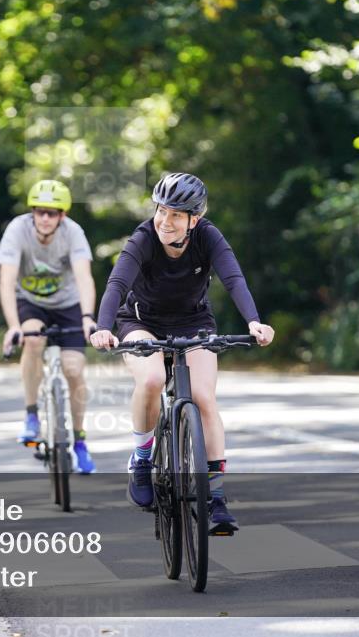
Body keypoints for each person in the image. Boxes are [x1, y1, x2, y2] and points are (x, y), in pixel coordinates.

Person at [89, 172, 274, 534]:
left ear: (195, 219)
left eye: (176, 214)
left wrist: (254, 322)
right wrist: (103, 327)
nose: (165, 220)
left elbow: (234, 279)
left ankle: (215, 497)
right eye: (162, 210)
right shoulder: (143, 237)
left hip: (193, 322)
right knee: (154, 378)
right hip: (141, 321)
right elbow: (117, 283)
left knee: (204, 397)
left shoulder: (208, 237)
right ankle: (142, 461)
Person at [0, 179, 98, 474]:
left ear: (62, 216)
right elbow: (6, 280)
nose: (44, 218)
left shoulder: (73, 233)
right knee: (33, 340)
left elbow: (84, 278)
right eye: (40, 211)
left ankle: (78, 441)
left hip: (68, 304)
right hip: (31, 303)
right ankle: (31, 416)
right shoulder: (17, 230)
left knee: (74, 370)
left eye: (52, 213)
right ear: (32, 212)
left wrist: (88, 317)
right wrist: (14, 325)